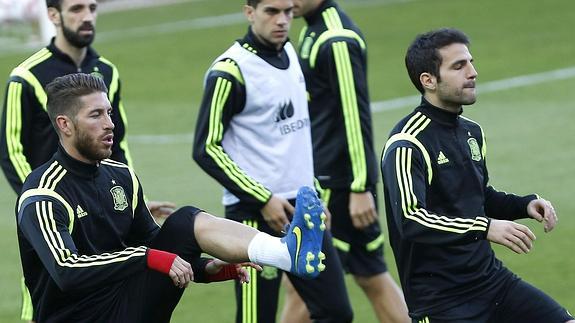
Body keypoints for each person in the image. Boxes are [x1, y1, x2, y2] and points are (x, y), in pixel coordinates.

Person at [17, 72, 328, 323]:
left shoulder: (120, 175)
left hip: (126, 305)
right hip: (78, 316)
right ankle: (285, 252)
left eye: (109, 112)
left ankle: (284, 252)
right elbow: (66, 271)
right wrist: (147, 256)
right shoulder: (44, 193)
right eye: (96, 115)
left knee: (182, 223)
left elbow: (156, 240)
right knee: (177, 226)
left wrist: (205, 269)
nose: (110, 124)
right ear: (65, 125)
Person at [380, 27, 575, 323]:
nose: (473, 72)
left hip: (492, 283)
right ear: (428, 80)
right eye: (459, 66)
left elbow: (477, 196)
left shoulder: (471, 131)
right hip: (442, 302)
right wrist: (484, 228)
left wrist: (523, 205)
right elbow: (411, 220)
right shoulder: (407, 144)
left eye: (470, 62)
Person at [193, 0, 353, 322]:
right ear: (249, 12)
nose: (282, 20)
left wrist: (315, 192)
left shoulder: (290, 53)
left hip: (305, 210)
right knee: (256, 318)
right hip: (253, 216)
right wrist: (262, 198)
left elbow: (295, 139)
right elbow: (206, 147)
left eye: (288, 12)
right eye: (271, 12)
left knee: (337, 312)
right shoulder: (230, 71)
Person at [279, 1, 409, 322]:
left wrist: (360, 187)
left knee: (304, 282)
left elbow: (355, 116)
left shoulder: (336, 38)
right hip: (324, 180)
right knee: (368, 275)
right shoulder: (313, 28)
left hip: (339, 186)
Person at [0, 0, 174, 219]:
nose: (87, 17)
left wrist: (136, 200)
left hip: (103, 208)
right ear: (53, 15)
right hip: (56, 210)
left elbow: (116, 143)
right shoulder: (27, 76)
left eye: (92, 8)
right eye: (76, 9)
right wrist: (40, 201)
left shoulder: (107, 71)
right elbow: (11, 151)